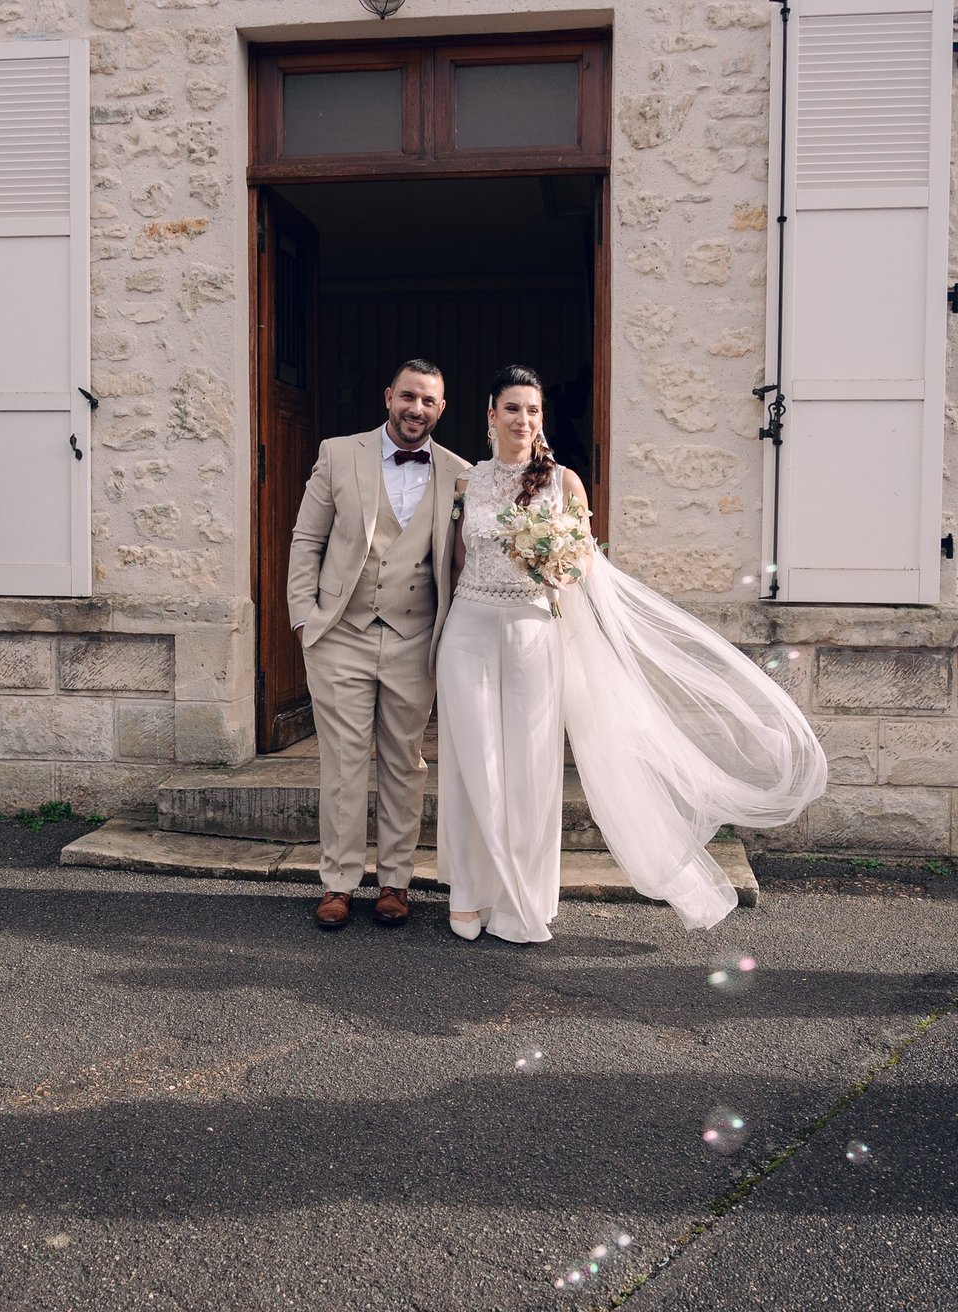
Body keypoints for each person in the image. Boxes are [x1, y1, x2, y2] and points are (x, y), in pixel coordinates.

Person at [436, 364, 827, 944]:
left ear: (541, 419)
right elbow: (459, 562)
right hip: (468, 628)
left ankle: (522, 901)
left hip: (532, 631)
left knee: (528, 769)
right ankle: (468, 893)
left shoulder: (563, 483)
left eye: (533, 410)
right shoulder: (467, 484)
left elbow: (582, 566)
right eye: (512, 408)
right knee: (473, 767)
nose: (523, 419)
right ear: (490, 414)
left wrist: (556, 564)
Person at [287, 359, 468, 930]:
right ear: (389, 395)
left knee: (404, 764)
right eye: (408, 396)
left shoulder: (460, 473)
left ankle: (395, 881)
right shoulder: (340, 453)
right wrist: (303, 622)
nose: (417, 409)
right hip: (340, 634)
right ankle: (338, 883)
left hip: (416, 637)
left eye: (429, 402)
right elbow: (305, 540)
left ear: (441, 410)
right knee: (342, 764)